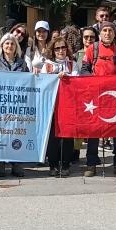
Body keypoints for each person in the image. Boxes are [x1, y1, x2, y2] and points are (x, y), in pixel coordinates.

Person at [80, 21, 116, 177]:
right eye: (104, 31)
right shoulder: (92, 49)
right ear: (100, 33)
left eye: (110, 30)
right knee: (94, 130)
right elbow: (84, 71)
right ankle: (91, 164)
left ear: (114, 33)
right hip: (96, 97)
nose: (107, 33)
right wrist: (95, 81)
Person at [42, 34, 78, 176]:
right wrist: (54, 78)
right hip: (52, 104)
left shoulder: (72, 64)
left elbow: (78, 80)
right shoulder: (47, 65)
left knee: (67, 135)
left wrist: (67, 77)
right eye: (57, 48)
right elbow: (43, 83)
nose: (61, 51)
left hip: (68, 104)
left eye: (63, 47)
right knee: (53, 136)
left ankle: (66, 164)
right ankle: (53, 165)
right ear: (53, 50)